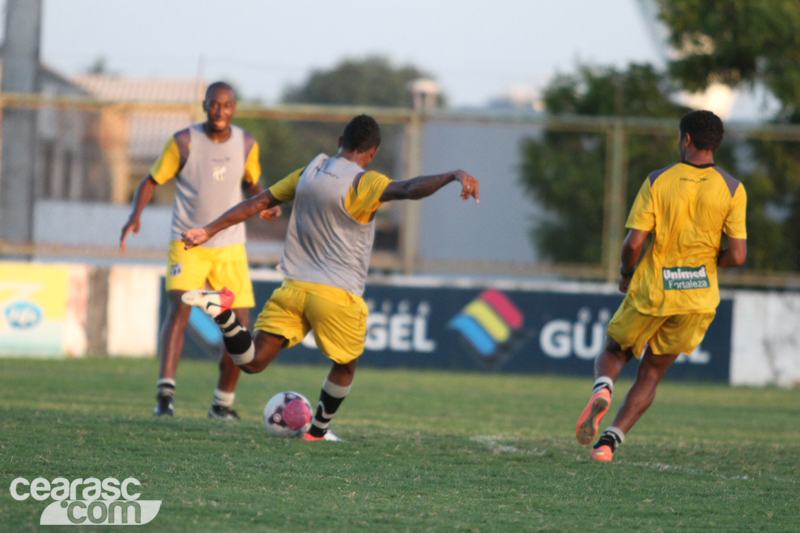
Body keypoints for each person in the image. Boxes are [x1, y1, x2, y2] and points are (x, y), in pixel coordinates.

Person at [180, 114, 479, 440]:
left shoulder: (308, 172)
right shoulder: (365, 182)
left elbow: (257, 202)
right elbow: (408, 188)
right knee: (346, 365)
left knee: (251, 361)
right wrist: (453, 174)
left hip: (293, 288)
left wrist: (207, 230)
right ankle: (318, 432)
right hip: (337, 293)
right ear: (373, 152)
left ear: (340, 141)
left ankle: (223, 313)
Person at [575, 110, 747, 462]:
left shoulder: (659, 180)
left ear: (686, 139)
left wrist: (626, 273)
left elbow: (633, 244)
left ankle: (603, 389)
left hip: (653, 289)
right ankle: (608, 444)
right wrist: (706, 263)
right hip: (697, 298)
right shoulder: (733, 189)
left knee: (615, 350)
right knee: (652, 372)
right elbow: (739, 255)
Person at [120, 81, 280, 419]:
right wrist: (135, 216)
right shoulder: (183, 141)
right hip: (188, 243)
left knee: (240, 325)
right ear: (204, 104)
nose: (220, 111)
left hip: (230, 247)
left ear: (234, 108)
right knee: (179, 307)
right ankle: (165, 396)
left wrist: (265, 202)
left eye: (226, 105)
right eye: (213, 104)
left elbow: (251, 182)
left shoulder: (247, 143)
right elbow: (150, 180)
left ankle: (222, 404)